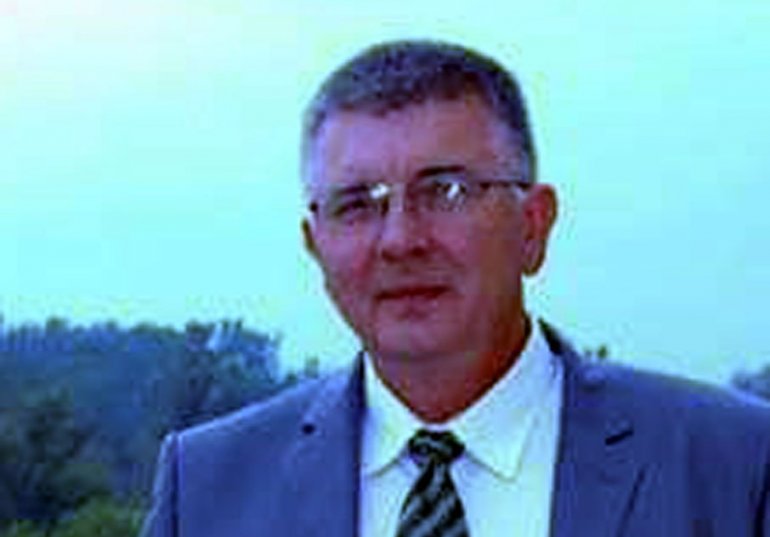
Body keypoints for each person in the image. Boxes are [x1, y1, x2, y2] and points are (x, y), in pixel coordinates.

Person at [141, 39, 770, 537]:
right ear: (315, 245)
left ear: (534, 225)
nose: (400, 240)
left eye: (446, 192)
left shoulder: (735, 465)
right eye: (357, 204)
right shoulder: (207, 490)